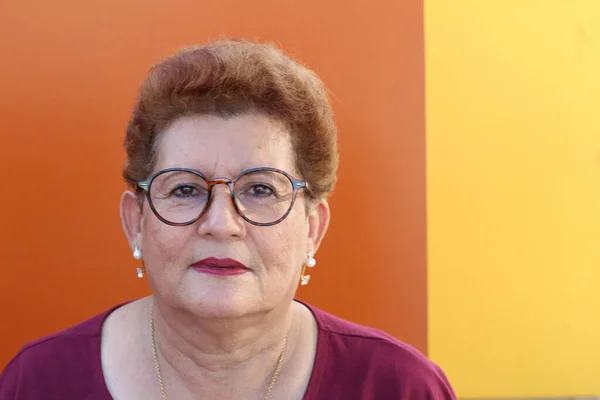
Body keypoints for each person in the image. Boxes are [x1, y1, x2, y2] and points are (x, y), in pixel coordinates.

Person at [0, 39, 456, 400]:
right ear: (135, 221)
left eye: (260, 189)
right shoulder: (38, 382)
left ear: (312, 229)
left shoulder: (401, 387)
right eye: (185, 189)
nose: (221, 223)